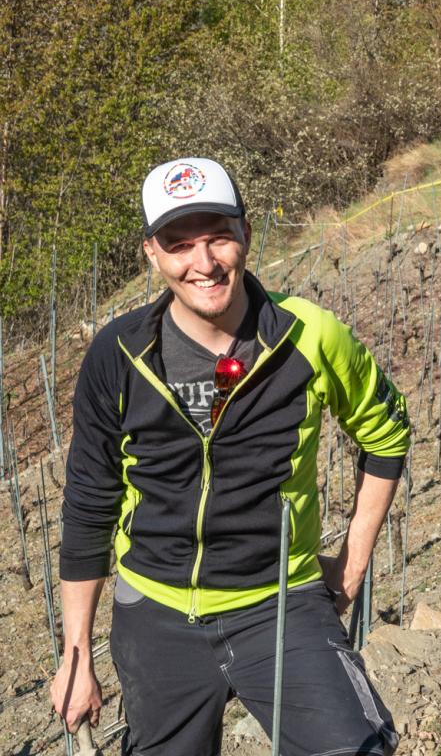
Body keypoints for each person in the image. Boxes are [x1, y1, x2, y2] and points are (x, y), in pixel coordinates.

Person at [51, 157, 410, 756]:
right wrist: (76, 656)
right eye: (179, 243)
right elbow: (89, 504)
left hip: (280, 604)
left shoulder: (309, 334)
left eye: (218, 235)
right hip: (154, 613)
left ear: (245, 232)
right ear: (152, 254)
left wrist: (352, 564)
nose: (204, 262)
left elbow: (387, 434)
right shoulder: (118, 354)